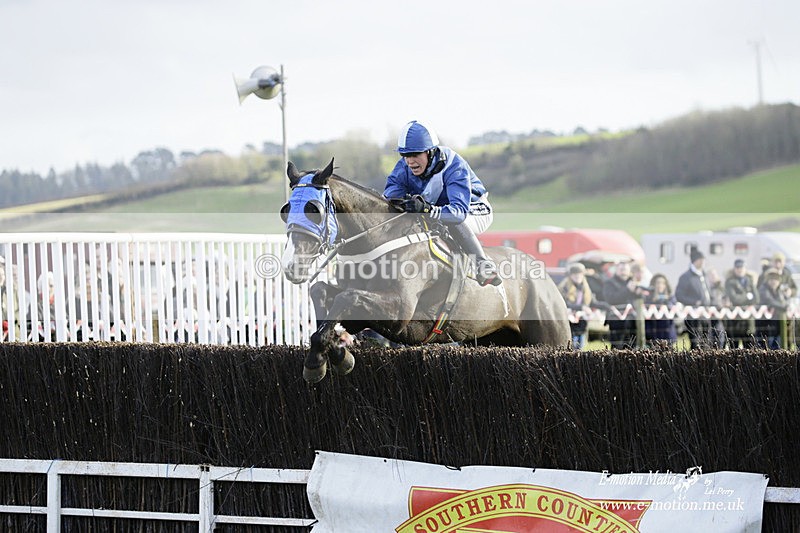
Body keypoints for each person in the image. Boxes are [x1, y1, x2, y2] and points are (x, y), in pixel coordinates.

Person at [384, 120, 501, 286]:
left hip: (472, 209)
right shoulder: (403, 167)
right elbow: (390, 199)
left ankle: (483, 265)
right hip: (440, 209)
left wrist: (426, 209)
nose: (410, 161)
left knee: (447, 221)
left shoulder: (453, 164)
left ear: (430, 152)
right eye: (406, 155)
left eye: (415, 154)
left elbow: (457, 213)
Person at [675, 248, 714, 348]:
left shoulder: (703, 275)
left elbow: (708, 292)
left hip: (705, 314)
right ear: (696, 260)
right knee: (696, 343)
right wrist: (693, 302)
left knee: (706, 342)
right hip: (693, 315)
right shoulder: (686, 277)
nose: (703, 262)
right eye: (701, 260)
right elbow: (679, 295)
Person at [603, 261, 648, 348]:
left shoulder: (632, 282)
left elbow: (641, 299)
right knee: (617, 347)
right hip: (616, 320)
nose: (623, 271)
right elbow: (611, 299)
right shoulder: (609, 283)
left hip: (632, 320)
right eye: (621, 269)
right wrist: (627, 289)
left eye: (625, 269)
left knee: (632, 346)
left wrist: (638, 293)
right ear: (617, 270)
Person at [724, 258, 759, 348]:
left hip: (748, 322)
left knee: (749, 349)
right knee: (734, 349)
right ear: (734, 269)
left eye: (742, 267)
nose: (740, 270)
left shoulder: (750, 280)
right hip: (735, 322)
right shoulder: (730, 282)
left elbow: (756, 298)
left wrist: (745, 298)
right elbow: (734, 299)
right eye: (738, 268)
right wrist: (747, 296)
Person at [558, 263, 593, 349]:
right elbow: (564, 303)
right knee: (570, 346)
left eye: (580, 274)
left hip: (581, 322)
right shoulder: (564, 287)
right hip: (569, 322)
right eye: (575, 274)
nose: (578, 276)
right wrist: (581, 307)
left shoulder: (585, 288)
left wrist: (607, 306)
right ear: (570, 275)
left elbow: (592, 301)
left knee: (580, 347)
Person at [757, 268, 789, 349]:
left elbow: (784, 301)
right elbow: (770, 301)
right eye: (772, 279)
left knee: (777, 345)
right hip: (765, 325)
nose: (774, 281)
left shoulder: (779, 291)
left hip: (776, 324)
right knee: (766, 346)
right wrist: (783, 307)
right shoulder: (763, 288)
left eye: (776, 279)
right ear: (768, 280)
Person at [643, 273, 677, 346]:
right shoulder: (648, 298)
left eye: (663, 283)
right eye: (658, 283)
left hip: (668, 334)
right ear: (653, 285)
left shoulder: (671, 297)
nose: (660, 285)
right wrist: (654, 300)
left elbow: (674, 310)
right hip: (653, 334)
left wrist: (665, 301)